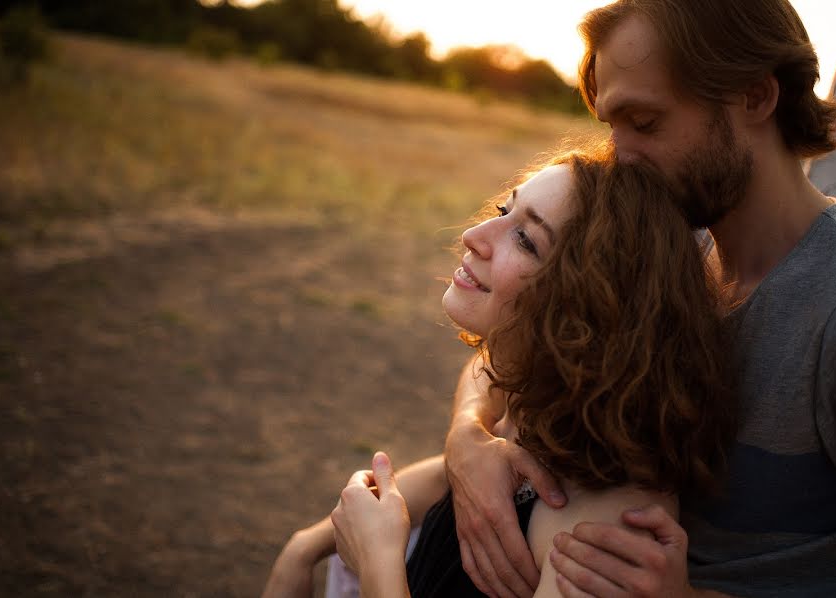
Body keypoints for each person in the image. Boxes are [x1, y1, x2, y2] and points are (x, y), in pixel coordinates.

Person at [442, 1, 836, 597]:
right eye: (611, 124)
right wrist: (469, 437)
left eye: (645, 123)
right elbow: (522, 353)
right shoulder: (675, 239)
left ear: (755, 97)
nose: (619, 155)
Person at [263, 150, 735, 597]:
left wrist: (378, 565)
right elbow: (458, 484)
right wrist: (304, 547)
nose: (476, 234)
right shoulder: (544, 406)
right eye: (502, 209)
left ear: (590, 306)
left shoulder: (601, 538)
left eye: (526, 239)